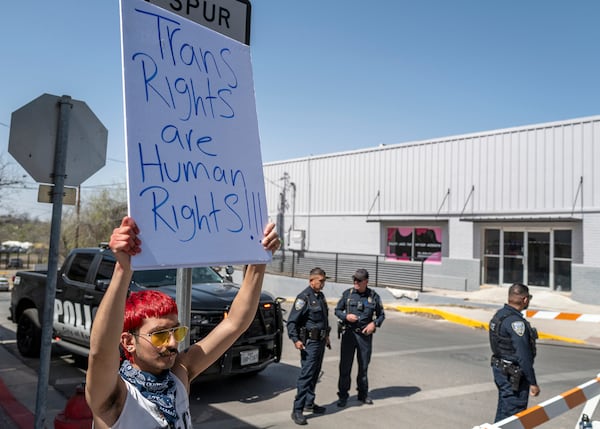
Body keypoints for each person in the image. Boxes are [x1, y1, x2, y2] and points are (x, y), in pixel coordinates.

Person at [85, 216, 280, 428]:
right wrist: (123, 269)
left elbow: (235, 323)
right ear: (128, 341)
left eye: (176, 332)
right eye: (159, 335)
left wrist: (259, 260)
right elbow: (101, 352)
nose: (171, 343)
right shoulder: (113, 397)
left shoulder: (180, 374)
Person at [286, 267, 331, 425]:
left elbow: (324, 319)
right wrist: (296, 339)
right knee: (306, 375)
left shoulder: (320, 296)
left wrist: (327, 336)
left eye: (324, 281)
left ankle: (309, 403)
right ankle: (297, 410)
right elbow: (292, 322)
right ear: (311, 281)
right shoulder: (303, 298)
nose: (323, 284)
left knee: (315, 373)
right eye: (321, 281)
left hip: (320, 342)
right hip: (309, 344)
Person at [489, 283, 540, 422]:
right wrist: (533, 382)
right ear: (525, 299)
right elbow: (524, 356)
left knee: (503, 413)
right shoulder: (516, 323)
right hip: (514, 377)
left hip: (501, 370)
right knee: (513, 418)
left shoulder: (499, 315)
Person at [334, 268, 385, 407]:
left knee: (363, 366)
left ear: (366, 282)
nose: (355, 282)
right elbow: (337, 310)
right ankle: (343, 396)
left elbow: (381, 315)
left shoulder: (373, 296)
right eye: (354, 280)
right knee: (345, 367)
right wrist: (346, 316)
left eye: (359, 280)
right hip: (349, 335)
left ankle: (363, 394)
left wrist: (374, 324)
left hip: (364, 337)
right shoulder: (348, 294)